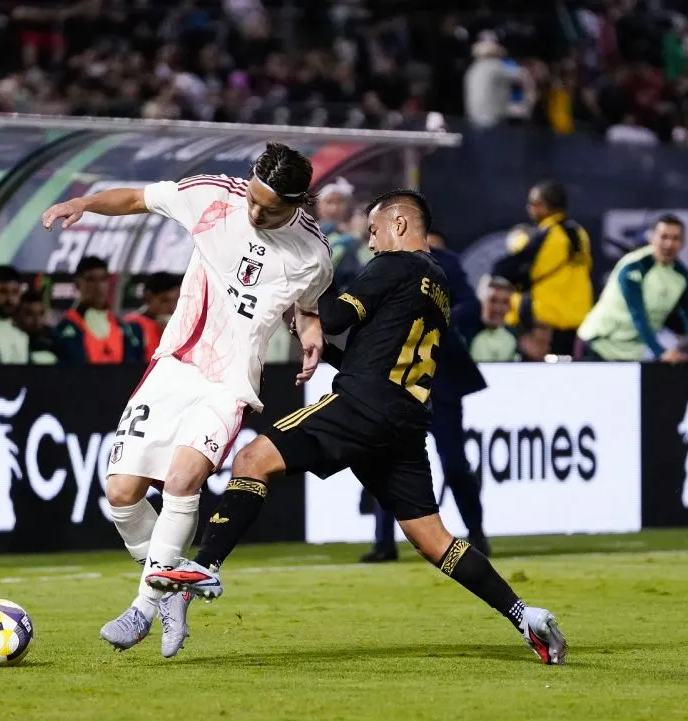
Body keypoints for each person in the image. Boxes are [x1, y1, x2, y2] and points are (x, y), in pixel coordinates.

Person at [147, 190, 567, 666]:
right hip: (406, 422)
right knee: (434, 539)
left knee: (251, 460)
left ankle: (203, 568)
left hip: (364, 407)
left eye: (374, 229)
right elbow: (368, 353)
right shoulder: (440, 284)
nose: (370, 240)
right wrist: (319, 347)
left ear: (401, 225)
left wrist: (296, 296)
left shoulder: (396, 265)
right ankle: (524, 615)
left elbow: (333, 316)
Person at [41, 142, 333, 658]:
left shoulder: (314, 254)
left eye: (271, 208)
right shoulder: (212, 197)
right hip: (174, 367)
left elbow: (304, 308)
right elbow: (135, 198)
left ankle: (144, 606)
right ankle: (172, 584)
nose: (257, 212)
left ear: (299, 202)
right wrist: (84, 204)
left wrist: (310, 332)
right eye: (255, 199)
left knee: (181, 481)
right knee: (122, 494)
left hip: (230, 384)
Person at [362, 231, 489, 563]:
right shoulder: (383, 268)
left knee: (454, 463)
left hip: (441, 378)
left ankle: (477, 533)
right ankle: (384, 543)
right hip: (397, 379)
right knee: (386, 461)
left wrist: (437, 319)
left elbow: (472, 306)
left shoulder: (446, 264)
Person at [576, 214, 688, 374]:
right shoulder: (633, 266)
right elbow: (638, 315)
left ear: (683, 242)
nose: (669, 243)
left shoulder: (681, 275)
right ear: (652, 237)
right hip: (598, 344)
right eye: (664, 237)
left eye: (675, 238)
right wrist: (660, 352)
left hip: (633, 351)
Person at [493, 181, 593, 356]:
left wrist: (517, 241)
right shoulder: (580, 233)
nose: (529, 208)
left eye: (533, 203)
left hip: (545, 326)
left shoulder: (545, 236)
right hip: (578, 324)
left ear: (543, 205)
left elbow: (508, 269)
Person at [55, 256, 144, 364]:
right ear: (78, 284)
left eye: (103, 279)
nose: (99, 286)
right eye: (91, 280)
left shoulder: (122, 328)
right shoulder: (66, 328)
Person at [123, 272, 182, 359]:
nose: (171, 308)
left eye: (176, 301)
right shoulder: (133, 325)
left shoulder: (179, 328)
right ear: (148, 297)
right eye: (164, 301)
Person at [468, 275, 519, 362]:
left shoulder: (516, 338)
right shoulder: (466, 334)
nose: (498, 308)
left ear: (510, 306)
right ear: (482, 302)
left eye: (505, 302)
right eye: (493, 301)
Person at [15, 288, 58, 364]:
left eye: (41, 313)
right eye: (29, 314)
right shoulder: (9, 337)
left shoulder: (55, 337)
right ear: (17, 315)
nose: (36, 320)